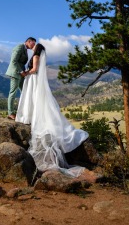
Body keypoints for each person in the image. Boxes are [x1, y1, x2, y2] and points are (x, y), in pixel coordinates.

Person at [16, 43, 89, 176]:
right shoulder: (37, 54)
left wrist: (24, 73)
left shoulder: (37, 55)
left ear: (37, 48)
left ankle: (29, 116)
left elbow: (35, 69)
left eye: (33, 45)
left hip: (33, 79)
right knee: (33, 98)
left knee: (34, 98)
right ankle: (30, 115)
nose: (31, 47)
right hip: (33, 80)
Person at [6, 37, 36, 120]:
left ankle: (24, 111)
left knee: (24, 91)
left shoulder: (25, 50)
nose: (33, 45)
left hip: (21, 73)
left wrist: (25, 71)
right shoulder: (19, 47)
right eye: (33, 43)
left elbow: (21, 62)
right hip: (15, 73)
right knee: (13, 92)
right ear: (28, 42)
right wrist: (21, 71)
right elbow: (14, 61)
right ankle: (10, 113)